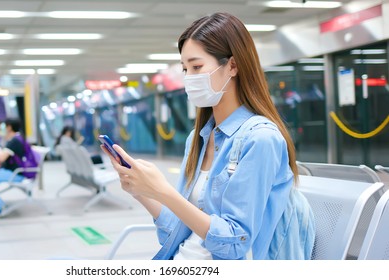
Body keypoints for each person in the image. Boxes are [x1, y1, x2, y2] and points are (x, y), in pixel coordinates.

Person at [101, 12, 315, 260]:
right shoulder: (198, 139)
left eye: (197, 67)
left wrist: (163, 191)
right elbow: (176, 231)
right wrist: (142, 191)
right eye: (184, 69)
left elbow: (235, 244)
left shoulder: (261, 139)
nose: (188, 78)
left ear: (233, 65)